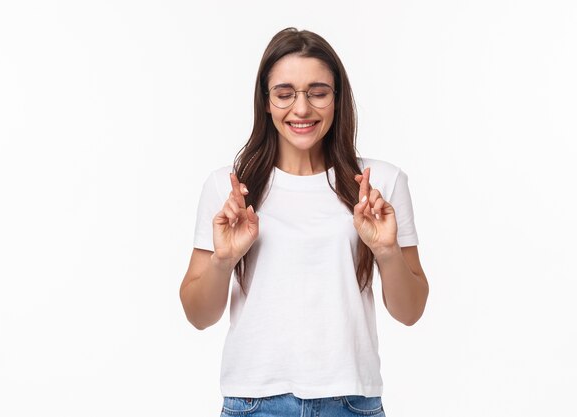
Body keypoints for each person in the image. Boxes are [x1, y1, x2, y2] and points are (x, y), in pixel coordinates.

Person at [179, 27, 429, 417]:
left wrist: (386, 251)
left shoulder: (379, 184)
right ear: (265, 101)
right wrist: (223, 260)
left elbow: (410, 311)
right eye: (284, 94)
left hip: (351, 403)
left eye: (318, 92)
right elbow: (198, 316)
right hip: (253, 402)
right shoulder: (230, 189)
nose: (301, 109)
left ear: (337, 98)